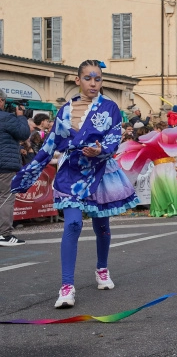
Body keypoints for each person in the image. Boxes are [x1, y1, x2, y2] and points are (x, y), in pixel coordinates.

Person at [11, 60, 139, 307]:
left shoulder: (110, 108)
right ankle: (67, 287)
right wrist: (29, 172)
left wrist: (100, 149)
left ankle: (102, 268)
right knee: (72, 224)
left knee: (102, 225)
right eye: (89, 78)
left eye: (98, 78)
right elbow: (50, 145)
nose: (94, 83)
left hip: (100, 171)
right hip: (70, 173)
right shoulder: (64, 111)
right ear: (77, 80)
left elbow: (114, 137)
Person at [0, 90, 31, 246]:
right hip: (4, 165)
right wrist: (21, 116)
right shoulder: (6, 118)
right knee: (5, 198)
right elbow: (24, 133)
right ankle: (4, 235)